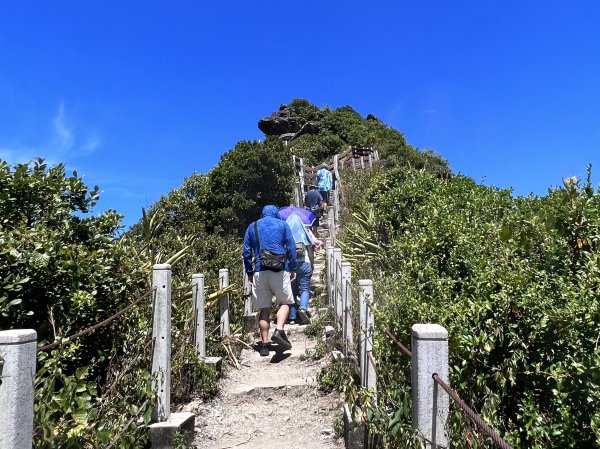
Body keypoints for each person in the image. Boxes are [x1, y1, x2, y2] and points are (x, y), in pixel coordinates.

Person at [243, 205, 297, 356]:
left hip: (260, 271)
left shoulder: (252, 226)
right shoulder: (283, 225)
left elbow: (246, 252)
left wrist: (249, 272)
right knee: (285, 302)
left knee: (264, 309)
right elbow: (291, 247)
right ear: (276, 213)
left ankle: (265, 345)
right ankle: (279, 330)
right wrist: (292, 267)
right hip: (280, 269)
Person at [285, 214, 316, 325]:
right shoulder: (304, 233)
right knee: (304, 289)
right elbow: (311, 251)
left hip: (289, 266)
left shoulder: (285, 234)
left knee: (292, 291)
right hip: (304, 264)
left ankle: (292, 317)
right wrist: (312, 265)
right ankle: (303, 309)